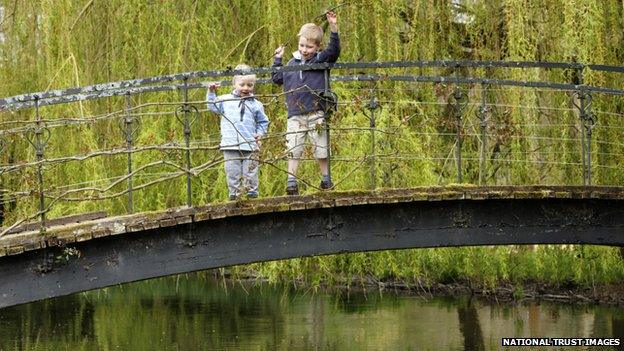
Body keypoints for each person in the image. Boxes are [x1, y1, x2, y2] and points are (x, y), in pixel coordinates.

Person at [272, 11, 340, 195]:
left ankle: (326, 179)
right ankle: (291, 181)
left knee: (321, 147)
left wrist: (333, 26)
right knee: (293, 147)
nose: (304, 50)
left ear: (317, 47)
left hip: (316, 112)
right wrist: (277, 59)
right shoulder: (291, 63)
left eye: (309, 47)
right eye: (302, 45)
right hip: (295, 114)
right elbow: (277, 78)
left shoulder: (320, 60)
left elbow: (334, 51)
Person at [206, 64, 270, 200]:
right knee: (232, 171)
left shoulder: (256, 104)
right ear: (234, 83)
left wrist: (260, 133)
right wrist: (211, 92)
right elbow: (212, 105)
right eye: (242, 84)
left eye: (250, 85)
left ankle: (252, 193)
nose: (246, 88)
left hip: (250, 143)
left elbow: (263, 121)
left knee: (251, 171)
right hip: (230, 143)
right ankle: (234, 194)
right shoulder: (225, 100)